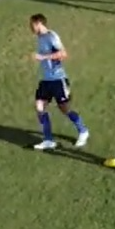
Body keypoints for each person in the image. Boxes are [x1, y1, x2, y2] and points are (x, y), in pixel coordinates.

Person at [29, 13, 89, 150]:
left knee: (65, 109)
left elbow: (63, 54)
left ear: (39, 23)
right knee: (39, 106)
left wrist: (42, 57)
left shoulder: (52, 36)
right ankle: (48, 139)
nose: (30, 27)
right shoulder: (40, 38)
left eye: (32, 24)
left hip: (58, 79)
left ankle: (83, 131)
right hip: (46, 80)